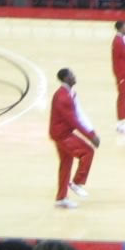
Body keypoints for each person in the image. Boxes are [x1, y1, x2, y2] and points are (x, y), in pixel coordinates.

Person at [50, 68, 99, 209]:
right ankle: (77, 182)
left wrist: (92, 131)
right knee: (88, 151)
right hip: (62, 135)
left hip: (60, 133)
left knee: (66, 164)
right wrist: (91, 136)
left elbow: (80, 114)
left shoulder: (70, 93)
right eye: (72, 75)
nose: (74, 76)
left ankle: (61, 198)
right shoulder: (63, 97)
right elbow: (74, 121)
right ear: (66, 79)